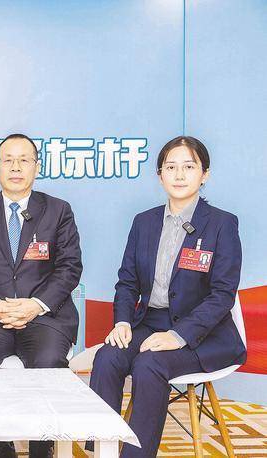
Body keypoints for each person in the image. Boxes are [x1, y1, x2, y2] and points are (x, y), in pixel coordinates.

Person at [89, 136, 246, 457]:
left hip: (204, 333)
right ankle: (102, 449)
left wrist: (178, 336)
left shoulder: (222, 224)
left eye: (189, 167)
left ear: (204, 174)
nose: (179, 175)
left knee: (150, 364)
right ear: (160, 175)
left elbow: (222, 295)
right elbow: (127, 282)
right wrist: (122, 321)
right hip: (149, 322)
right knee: (107, 357)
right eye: (170, 167)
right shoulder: (144, 222)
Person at [0, 133, 82, 458]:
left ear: (36, 167)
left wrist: (35, 305)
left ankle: (42, 443)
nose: (15, 167)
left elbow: (69, 267)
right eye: (8, 160)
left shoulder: (58, 210)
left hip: (44, 317)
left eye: (24, 160)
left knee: (49, 361)